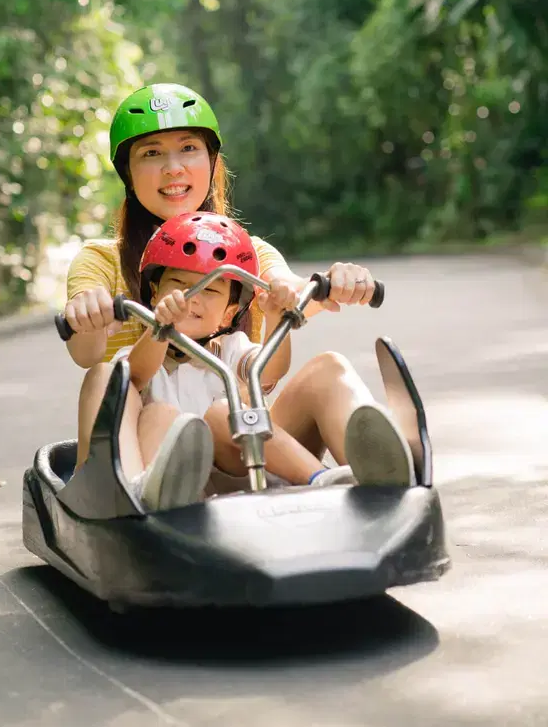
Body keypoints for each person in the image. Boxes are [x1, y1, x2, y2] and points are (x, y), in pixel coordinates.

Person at [63, 83, 417, 505]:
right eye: (152, 153)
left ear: (212, 162)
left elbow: (287, 294)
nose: (173, 168)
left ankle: (379, 485)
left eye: (189, 149)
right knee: (104, 375)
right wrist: (88, 311)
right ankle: (130, 503)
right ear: (128, 173)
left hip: (242, 446)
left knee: (330, 369)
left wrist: (336, 282)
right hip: (147, 445)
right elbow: (87, 353)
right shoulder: (100, 261)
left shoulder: (248, 255)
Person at [115, 211, 368, 510]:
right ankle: (165, 513)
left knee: (325, 368)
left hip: (247, 470)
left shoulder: (231, 349)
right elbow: (136, 376)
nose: (192, 296)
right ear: (155, 295)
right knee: (160, 414)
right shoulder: (137, 357)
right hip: (185, 497)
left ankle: (339, 477)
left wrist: (275, 319)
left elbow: (268, 370)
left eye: (208, 289)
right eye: (179, 284)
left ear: (228, 312)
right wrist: (160, 328)